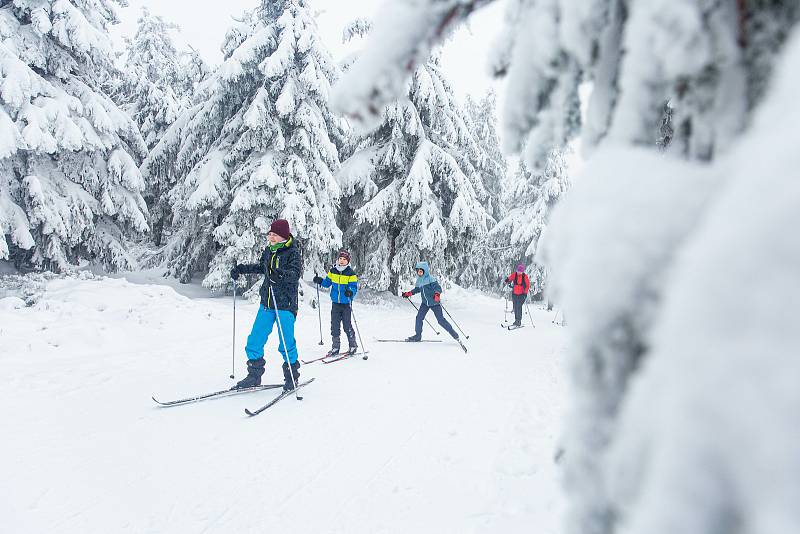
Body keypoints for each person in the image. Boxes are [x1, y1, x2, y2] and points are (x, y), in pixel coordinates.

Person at [230, 219, 302, 392]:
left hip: (285, 304)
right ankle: (254, 376)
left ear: (283, 236)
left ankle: (291, 377)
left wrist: (279, 275)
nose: (271, 237)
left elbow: (295, 274)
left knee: (286, 343)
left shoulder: (292, 252)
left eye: (274, 234)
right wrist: (241, 269)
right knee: (254, 340)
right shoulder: (269, 250)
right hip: (267, 303)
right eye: (270, 234)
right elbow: (262, 267)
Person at [312, 250, 359, 356]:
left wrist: (350, 292)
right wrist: (319, 280)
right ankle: (335, 347)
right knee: (334, 326)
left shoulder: (350, 273)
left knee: (347, 326)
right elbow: (327, 283)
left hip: (346, 303)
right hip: (335, 304)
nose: (342, 261)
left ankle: (353, 345)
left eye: (344, 259)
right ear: (337, 260)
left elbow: (354, 287)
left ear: (348, 261)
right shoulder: (333, 271)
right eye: (340, 259)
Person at [401, 261, 460, 342]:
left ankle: (455, 335)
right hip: (425, 303)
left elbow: (438, 288)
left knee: (440, 320)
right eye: (418, 271)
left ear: (425, 271)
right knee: (419, 318)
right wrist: (408, 293)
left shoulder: (431, 279)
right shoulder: (419, 281)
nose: (419, 273)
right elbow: (417, 289)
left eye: (421, 271)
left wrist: (437, 295)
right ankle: (418, 336)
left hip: (435, 303)